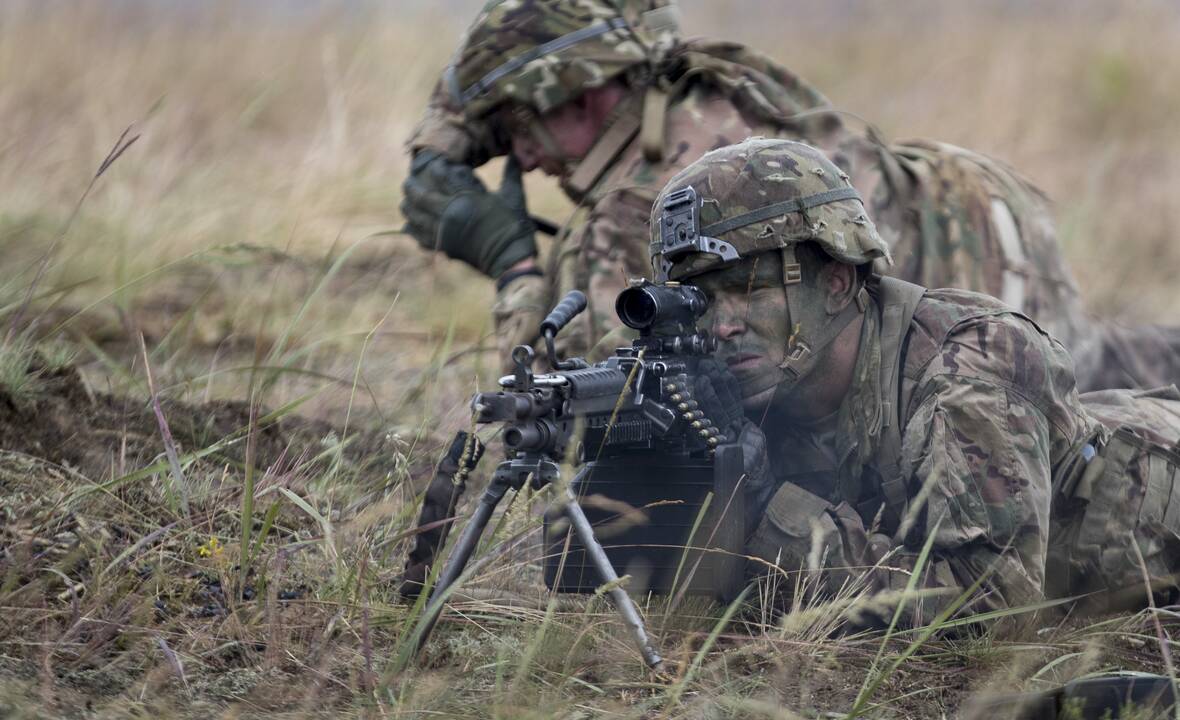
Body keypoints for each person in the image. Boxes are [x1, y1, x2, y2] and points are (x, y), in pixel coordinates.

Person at [399, 0, 1180, 391]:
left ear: (582, 96)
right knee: (1101, 361)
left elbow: (593, 414)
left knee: (1089, 420)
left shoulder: (641, 212)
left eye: (513, 127)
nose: (520, 158)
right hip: (988, 224)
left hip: (961, 356)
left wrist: (513, 273)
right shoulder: (716, 81)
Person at [647, 137, 1180, 627]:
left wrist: (765, 512)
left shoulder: (971, 370)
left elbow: (989, 610)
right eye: (702, 298)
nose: (722, 326)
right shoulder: (754, 385)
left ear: (836, 282)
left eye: (750, 289)